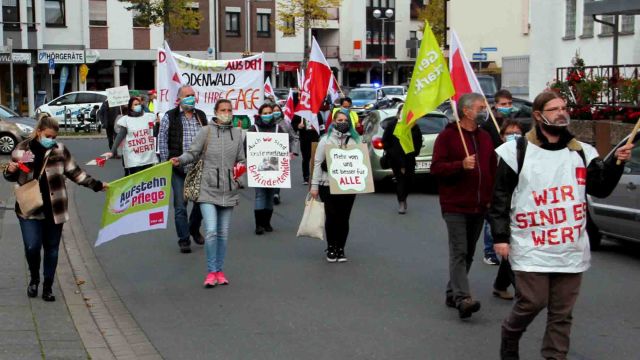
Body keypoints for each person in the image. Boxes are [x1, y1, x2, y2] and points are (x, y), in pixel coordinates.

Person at [489, 91, 633, 360]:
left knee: (562, 312)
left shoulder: (582, 152)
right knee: (532, 302)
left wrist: (616, 164)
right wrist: (500, 237)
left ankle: (555, 356)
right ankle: (511, 332)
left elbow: (599, 189)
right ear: (538, 116)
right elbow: (499, 198)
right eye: (554, 108)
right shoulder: (516, 151)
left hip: (570, 248)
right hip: (531, 246)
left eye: (563, 107)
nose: (561, 112)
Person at [4, 117, 107, 302]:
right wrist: (10, 170)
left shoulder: (59, 150)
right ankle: (34, 278)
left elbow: (76, 173)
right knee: (32, 246)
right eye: (48, 135)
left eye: (54, 136)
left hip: (55, 208)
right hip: (29, 209)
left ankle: (48, 286)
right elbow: (12, 176)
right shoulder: (22, 149)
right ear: (39, 132)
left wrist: (97, 185)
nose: (51, 139)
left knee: (51, 249)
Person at [430, 93, 497, 320]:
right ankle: (462, 298)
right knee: (459, 251)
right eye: (481, 107)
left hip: (479, 205)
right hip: (455, 205)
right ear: (467, 111)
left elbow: (492, 170)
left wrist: (492, 197)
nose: (484, 111)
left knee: (468, 252)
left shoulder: (486, 137)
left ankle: (452, 292)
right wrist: (460, 165)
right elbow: (437, 168)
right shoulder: (447, 137)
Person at [171, 99, 245, 287]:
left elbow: (241, 160)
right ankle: (212, 271)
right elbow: (192, 153)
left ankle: (220, 270)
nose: (226, 113)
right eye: (223, 110)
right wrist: (179, 160)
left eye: (229, 110)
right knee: (211, 232)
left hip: (228, 191)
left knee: (223, 234)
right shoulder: (206, 131)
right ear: (215, 111)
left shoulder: (238, 135)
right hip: (207, 189)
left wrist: (240, 177)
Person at [158, 85, 207, 253]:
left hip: (198, 168)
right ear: (179, 98)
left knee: (201, 203)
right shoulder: (170, 117)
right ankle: (184, 239)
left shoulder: (200, 116)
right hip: (178, 168)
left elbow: (207, 139)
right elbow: (162, 140)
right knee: (180, 206)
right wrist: (166, 162)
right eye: (187, 95)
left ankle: (193, 228)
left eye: (193, 95)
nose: (191, 98)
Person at [309, 109, 361, 263]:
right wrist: (314, 186)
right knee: (331, 216)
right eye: (340, 120)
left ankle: (341, 248)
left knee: (344, 218)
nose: (343, 123)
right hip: (328, 184)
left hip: (348, 185)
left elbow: (360, 162)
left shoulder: (355, 141)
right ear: (333, 122)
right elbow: (317, 163)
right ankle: (331, 246)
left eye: (345, 120)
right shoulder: (326, 140)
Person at [490, 119, 524, 301]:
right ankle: (522, 290)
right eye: (510, 133)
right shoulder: (495, 156)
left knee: (511, 249)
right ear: (502, 136)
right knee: (509, 248)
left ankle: (500, 284)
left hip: (519, 209)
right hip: (500, 209)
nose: (514, 137)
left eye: (518, 133)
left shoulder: (523, 156)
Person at [247, 103, 293, 235]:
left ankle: (267, 222)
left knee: (270, 194)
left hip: (274, 164)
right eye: (265, 113)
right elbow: (247, 147)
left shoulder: (279, 128)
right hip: (258, 165)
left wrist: (288, 154)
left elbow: (286, 143)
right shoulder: (253, 129)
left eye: (269, 112)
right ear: (260, 115)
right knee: (260, 194)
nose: (267, 115)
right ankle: (259, 225)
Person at [382, 104, 423, 214]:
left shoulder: (413, 126)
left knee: (409, 181)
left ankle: (404, 197)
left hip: (409, 159)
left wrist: (415, 152)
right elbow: (385, 141)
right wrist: (392, 152)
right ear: (398, 113)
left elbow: (418, 142)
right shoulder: (392, 125)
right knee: (400, 180)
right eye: (402, 112)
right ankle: (401, 202)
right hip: (396, 159)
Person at [102, 97, 158, 175]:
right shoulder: (126, 120)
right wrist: (112, 151)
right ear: (130, 107)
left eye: (139, 104)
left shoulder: (148, 117)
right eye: (135, 104)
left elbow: (154, 132)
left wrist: (157, 124)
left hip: (147, 157)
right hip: (133, 158)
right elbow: (120, 136)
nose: (138, 106)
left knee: (147, 181)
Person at [272, 103, 299, 205]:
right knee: (269, 173)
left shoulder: (286, 123)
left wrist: (294, 151)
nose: (275, 112)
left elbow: (294, 138)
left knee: (277, 173)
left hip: (282, 153)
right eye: (273, 111)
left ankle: (276, 193)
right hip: (267, 153)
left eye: (277, 110)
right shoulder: (265, 124)